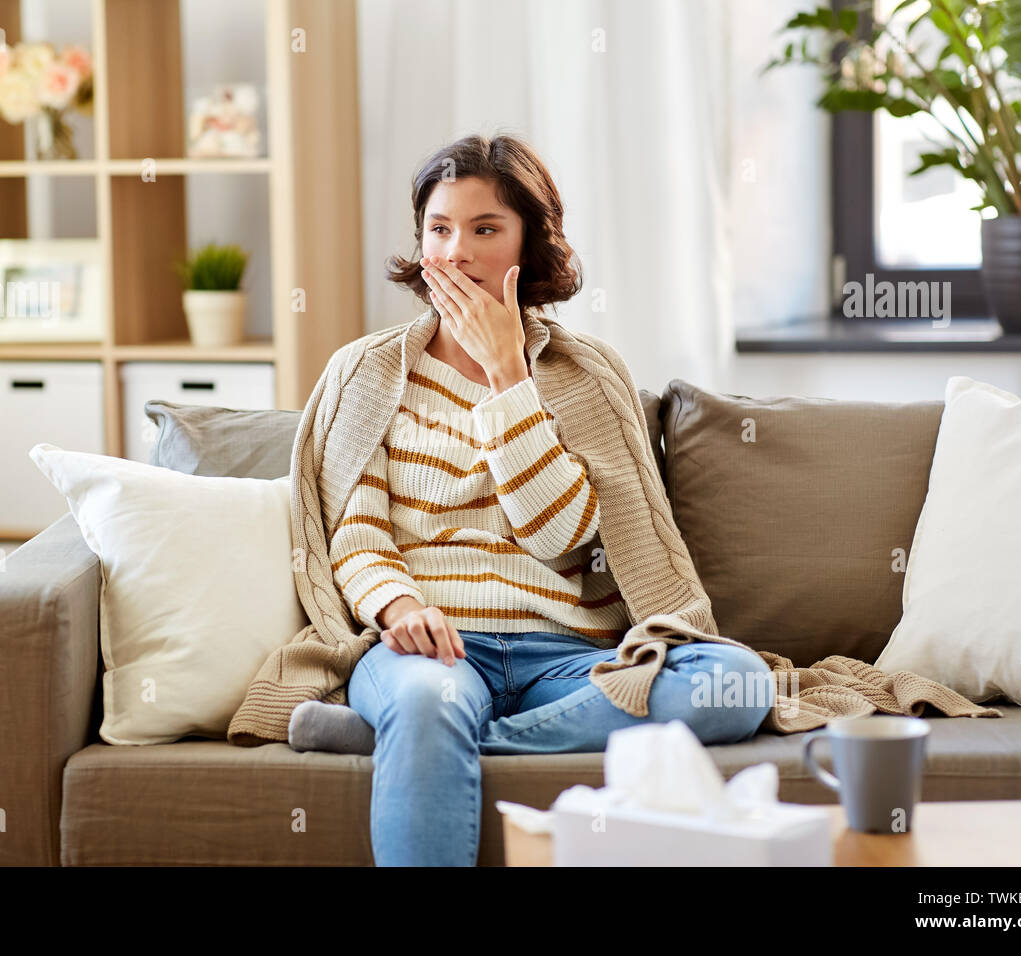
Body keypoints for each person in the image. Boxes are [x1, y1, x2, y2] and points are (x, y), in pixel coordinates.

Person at [329, 133, 771, 866]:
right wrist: (400, 609)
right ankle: (419, 722)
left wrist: (508, 375)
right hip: (436, 653)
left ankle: (436, 738)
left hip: (566, 655)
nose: (457, 253)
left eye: (484, 230)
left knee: (734, 682)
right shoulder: (373, 374)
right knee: (423, 701)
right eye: (440, 230)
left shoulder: (582, 373)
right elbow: (356, 533)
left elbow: (561, 536)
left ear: (528, 248)